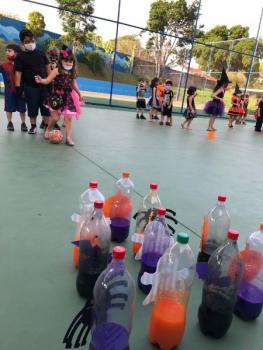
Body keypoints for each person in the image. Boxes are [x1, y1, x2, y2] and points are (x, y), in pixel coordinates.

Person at [35, 45, 83, 146]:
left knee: (69, 118)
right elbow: (48, 80)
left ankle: (68, 138)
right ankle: (48, 129)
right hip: (56, 97)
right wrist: (41, 80)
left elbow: (73, 84)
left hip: (68, 98)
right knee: (56, 118)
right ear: (61, 61)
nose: (68, 63)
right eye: (66, 61)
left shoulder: (72, 72)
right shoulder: (57, 70)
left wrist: (79, 94)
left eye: (71, 61)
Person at [14, 29, 51, 134]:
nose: (30, 43)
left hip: (44, 86)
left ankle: (47, 127)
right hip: (30, 87)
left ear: (34, 40)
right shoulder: (20, 57)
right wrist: (18, 88)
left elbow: (48, 67)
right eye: (27, 42)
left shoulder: (41, 53)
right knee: (32, 108)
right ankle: (33, 126)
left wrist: (49, 83)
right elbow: (18, 73)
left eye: (32, 41)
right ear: (22, 42)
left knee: (45, 108)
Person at [0, 44, 27, 132]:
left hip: (21, 90)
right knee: (9, 107)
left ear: (16, 53)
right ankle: (9, 123)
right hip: (9, 91)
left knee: (22, 108)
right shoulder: (3, 65)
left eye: (9, 51)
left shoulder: (23, 65)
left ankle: (23, 123)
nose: (7, 52)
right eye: (6, 51)